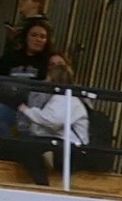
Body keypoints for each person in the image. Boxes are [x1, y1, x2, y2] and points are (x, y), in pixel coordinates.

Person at [11, 54, 89, 186]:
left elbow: (52, 121)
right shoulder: (63, 98)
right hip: (62, 142)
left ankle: (42, 183)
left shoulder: (65, 99)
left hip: (70, 146)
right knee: (25, 145)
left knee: (26, 147)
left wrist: (27, 111)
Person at [0, 20, 54, 142]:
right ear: (26, 37)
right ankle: (7, 147)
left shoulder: (49, 62)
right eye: (34, 35)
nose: (38, 39)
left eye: (43, 37)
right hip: (11, 107)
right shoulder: (10, 57)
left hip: (37, 113)